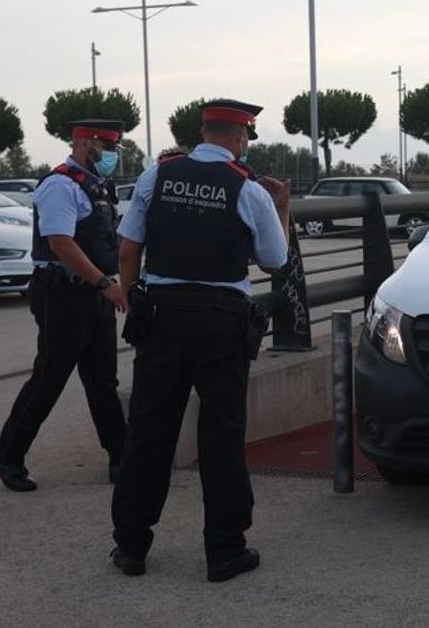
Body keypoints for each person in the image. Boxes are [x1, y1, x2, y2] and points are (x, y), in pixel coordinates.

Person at [109, 99, 292, 582]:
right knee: (222, 435)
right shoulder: (246, 187)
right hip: (220, 323)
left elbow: (129, 247)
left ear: (204, 131)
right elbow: (274, 259)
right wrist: (283, 207)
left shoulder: (158, 175)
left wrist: (131, 300)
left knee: (149, 433)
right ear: (240, 136)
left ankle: (131, 547)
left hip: (163, 318)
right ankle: (224, 551)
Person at [0, 120, 129, 493]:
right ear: (84, 144)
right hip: (62, 293)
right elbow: (60, 243)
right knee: (50, 376)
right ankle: (7, 455)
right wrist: (103, 282)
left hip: (93, 292)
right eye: (106, 146)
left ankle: (121, 455)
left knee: (102, 379)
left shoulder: (96, 186)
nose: (112, 155)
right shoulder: (60, 185)